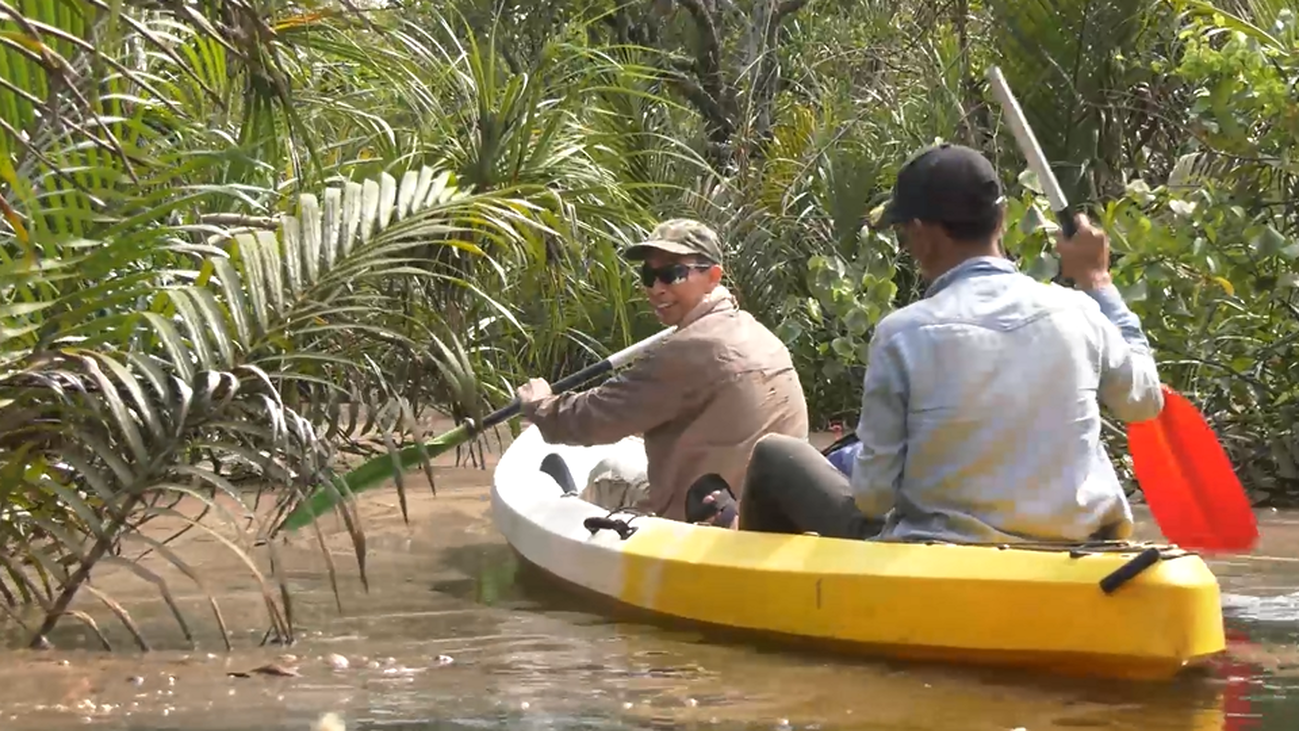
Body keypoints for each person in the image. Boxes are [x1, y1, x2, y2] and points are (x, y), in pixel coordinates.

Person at [729, 143, 1165, 544]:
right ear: (1004, 218)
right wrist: (1098, 280)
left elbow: (873, 498)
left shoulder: (902, 333)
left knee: (775, 455)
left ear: (922, 233)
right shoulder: (1080, 311)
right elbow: (1144, 402)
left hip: (944, 557)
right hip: (1073, 549)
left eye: (903, 234)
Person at [515, 218, 810, 524]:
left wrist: (541, 405)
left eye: (672, 274)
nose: (656, 288)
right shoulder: (759, 333)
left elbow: (592, 419)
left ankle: (569, 515)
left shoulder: (688, 350)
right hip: (764, 515)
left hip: (704, 520)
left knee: (607, 471)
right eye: (649, 275)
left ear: (713, 277)